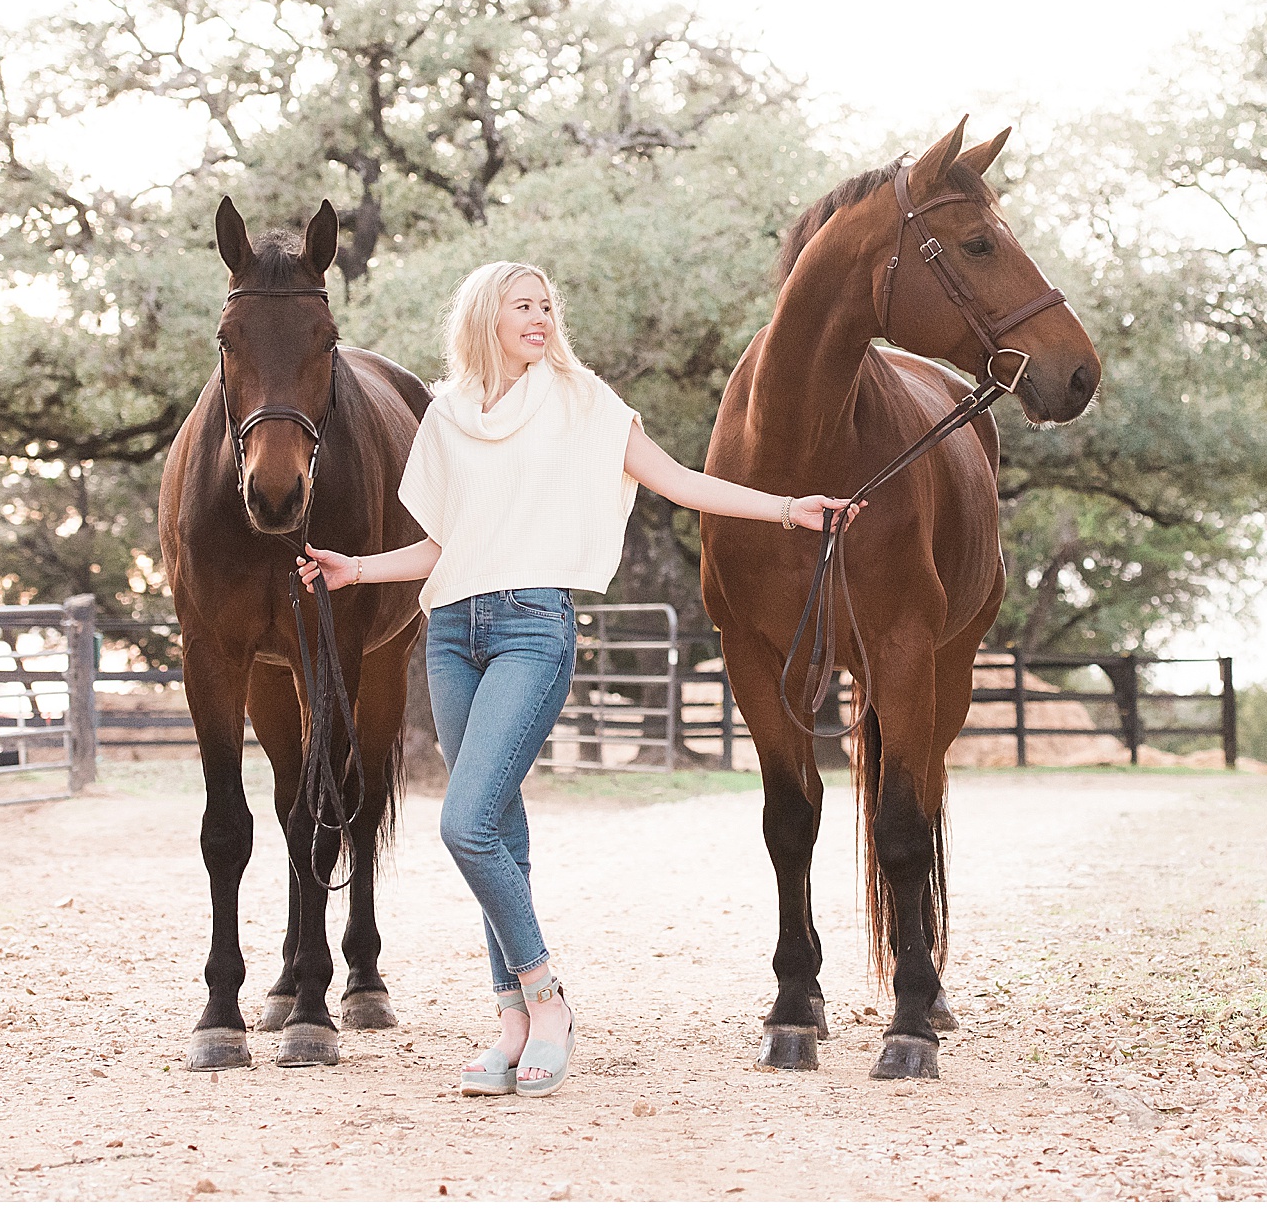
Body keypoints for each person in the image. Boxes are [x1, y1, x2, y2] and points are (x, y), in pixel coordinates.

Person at [296, 260, 852, 1099]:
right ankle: (512, 1023)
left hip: (531, 628)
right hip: (450, 634)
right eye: (522, 305)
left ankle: (546, 1001)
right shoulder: (446, 415)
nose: (540, 317)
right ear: (484, 316)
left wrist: (784, 508)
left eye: (546, 306)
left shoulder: (580, 400)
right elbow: (441, 546)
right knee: (499, 829)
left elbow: (676, 481)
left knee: (464, 824)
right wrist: (357, 568)